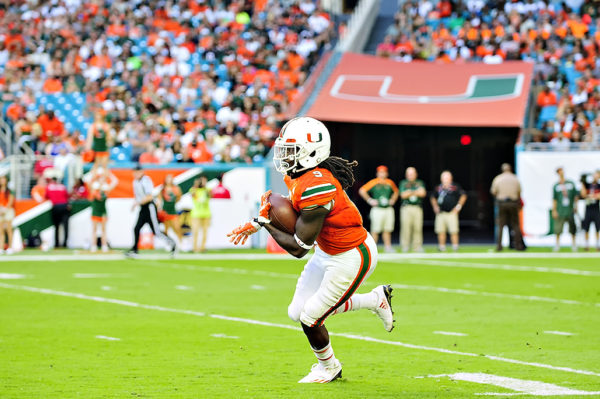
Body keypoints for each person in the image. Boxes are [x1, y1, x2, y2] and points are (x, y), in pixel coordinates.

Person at [227, 117, 394, 384]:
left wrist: (265, 223)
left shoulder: (318, 186)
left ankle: (329, 367)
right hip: (328, 251)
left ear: (312, 152)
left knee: (310, 317)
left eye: (291, 151)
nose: (284, 157)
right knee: (296, 312)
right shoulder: (299, 175)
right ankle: (375, 300)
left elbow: (298, 248)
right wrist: (263, 218)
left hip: (351, 254)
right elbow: (294, 215)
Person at [126, 165, 176, 257]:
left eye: (137, 172)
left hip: (149, 207)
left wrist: (137, 203)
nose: (135, 174)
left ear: (141, 172)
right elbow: (138, 196)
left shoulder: (146, 180)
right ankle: (135, 250)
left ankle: (172, 243)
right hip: (143, 207)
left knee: (156, 231)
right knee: (136, 228)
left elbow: (149, 197)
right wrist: (136, 203)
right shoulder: (135, 182)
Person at [358, 165, 398, 252]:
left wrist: (393, 200)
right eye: (380, 172)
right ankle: (373, 247)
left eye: (384, 172)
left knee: (387, 229)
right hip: (377, 209)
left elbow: (396, 192)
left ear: (386, 173)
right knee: (375, 229)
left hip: (387, 208)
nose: (382, 174)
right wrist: (369, 200)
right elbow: (362, 190)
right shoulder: (374, 182)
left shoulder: (389, 182)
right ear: (377, 173)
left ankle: (388, 246)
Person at [490, 163, 525, 251]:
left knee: (501, 225)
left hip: (502, 203)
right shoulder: (515, 178)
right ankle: (518, 246)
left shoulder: (498, 179)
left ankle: (499, 246)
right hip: (513, 203)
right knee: (515, 225)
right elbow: (519, 191)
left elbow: (493, 191)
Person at [430, 171, 467, 251]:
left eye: (447, 177)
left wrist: (458, 207)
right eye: (444, 177)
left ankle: (455, 247)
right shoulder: (438, 188)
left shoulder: (455, 187)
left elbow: (463, 195)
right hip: (441, 213)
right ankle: (442, 247)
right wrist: (435, 206)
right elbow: (433, 197)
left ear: (451, 178)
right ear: (441, 179)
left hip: (451, 213)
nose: (445, 179)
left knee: (454, 230)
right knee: (440, 230)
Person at [89, 169, 118, 252]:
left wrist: (110, 175)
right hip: (95, 211)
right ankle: (93, 245)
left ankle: (104, 245)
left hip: (103, 211)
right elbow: (88, 181)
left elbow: (115, 182)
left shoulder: (106, 190)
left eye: (102, 179)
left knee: (103, 230)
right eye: (100, 179)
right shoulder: (94, 189)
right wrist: (94, 175)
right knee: (94, 229)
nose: (101, 180)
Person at [398, 167, 426, 252]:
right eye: (409, 174)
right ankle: (405, 246)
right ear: (406, 175)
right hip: (406, 207)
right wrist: (415, 192)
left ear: (415, 174)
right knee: (406, 227)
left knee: (418, 227)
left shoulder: (420, 182)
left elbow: (423, 193)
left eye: (412, 173)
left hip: (417, 207)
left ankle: (417, 246)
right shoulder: (403, 183)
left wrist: (410, 192)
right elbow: (403, 195)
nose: (410, 175)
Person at [552, 167, 578, 252]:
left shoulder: (570, 183)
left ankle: (574, 245)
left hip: (569, 209)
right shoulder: (556, 185)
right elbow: (554, 199)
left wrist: (576, 206)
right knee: (558, 229)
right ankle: (557, 245)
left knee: (572, 228)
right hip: (560, 210)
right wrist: (554, 210)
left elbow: (575, 196)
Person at [45, 177, 70, 248]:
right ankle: (65, 243)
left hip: (56, 207)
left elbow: (46, 196)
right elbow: (67, 196)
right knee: (65, 226)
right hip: (64, 206)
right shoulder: (62, 187)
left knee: (56, 226)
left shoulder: (49, 187)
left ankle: (56, 243)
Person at [160, 174, 183, 246]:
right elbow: (159, 198)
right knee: (166, 230)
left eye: (170, 179)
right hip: (165, 211)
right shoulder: (163, 189)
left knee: (177, 228)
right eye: (168, 179)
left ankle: (180, 243)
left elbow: (179, 197)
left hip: (172, 211)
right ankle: (168, 244)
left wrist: (173, 202)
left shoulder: (176, 188)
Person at [190, 176, 211, 253]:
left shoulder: (207, 190)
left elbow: (211, 195)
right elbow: (193, 194)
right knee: (195, 231)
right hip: (196, 214)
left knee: (205, 232)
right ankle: (195, 247)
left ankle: (203, 247)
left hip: (206, 214)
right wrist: (196, 185)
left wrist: (205, 187)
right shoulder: (193, 190)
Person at [580, 170, 600, 251]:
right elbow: (583, 195)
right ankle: (587, 244)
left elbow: (598, 196)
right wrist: (582, 183)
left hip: (596, 209)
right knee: (586, 228)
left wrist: (591, 196)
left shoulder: (599, 186)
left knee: (597, 228)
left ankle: (597, 244)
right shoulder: (587, 185)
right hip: (588, 209)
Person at [0, 175, 15, 254]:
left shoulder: (9, 190)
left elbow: (10, 201)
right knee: (1, 231)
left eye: (3, 179)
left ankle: (10, 247)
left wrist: (5, 209)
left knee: (9, 229)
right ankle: (1, 247)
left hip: (8, 210)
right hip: (0, 210)